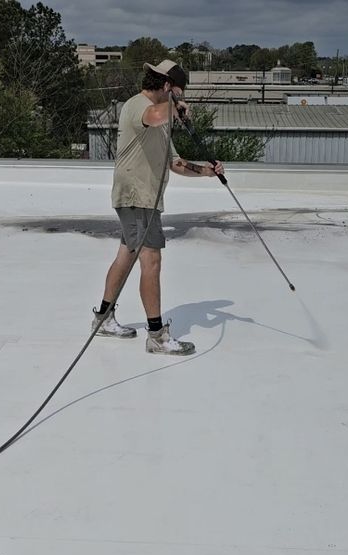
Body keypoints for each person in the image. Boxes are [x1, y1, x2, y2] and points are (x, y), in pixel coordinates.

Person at [92, 59, 225, 355]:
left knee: (126, 256)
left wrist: (208, 171)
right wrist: (175, 109)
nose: (179, 99)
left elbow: (174, 163)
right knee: (151, 261)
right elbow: (153, 116)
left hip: (143, 198)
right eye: (177, 93)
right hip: (137, 196)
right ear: (166, 86)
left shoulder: (161, 120)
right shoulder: (138, 105)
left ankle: (103, 319)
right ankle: (156, 336)